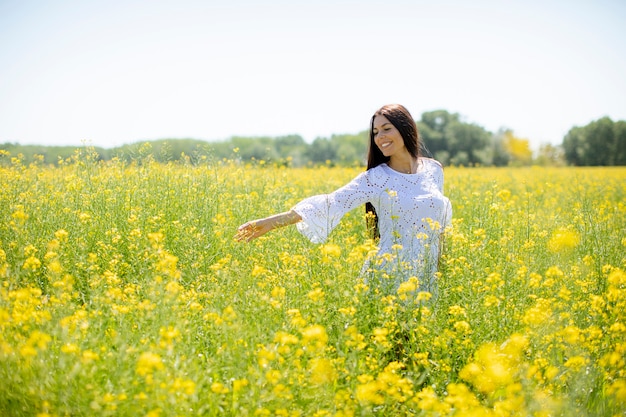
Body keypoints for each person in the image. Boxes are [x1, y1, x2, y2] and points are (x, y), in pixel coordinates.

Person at [235, 104, 452, 296]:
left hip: (426, 278)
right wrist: (271, 222)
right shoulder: (376, 178)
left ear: (406, 128)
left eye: (387, 129)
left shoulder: (434, 170)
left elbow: (440, 227)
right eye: (375, 132)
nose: (380, 137)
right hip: (388, 277)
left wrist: (442, 270)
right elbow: (333, 202)